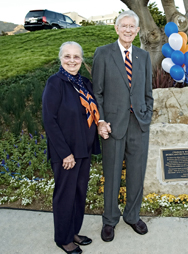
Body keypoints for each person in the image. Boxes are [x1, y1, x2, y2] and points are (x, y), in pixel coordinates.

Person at [92, 10, 153, 241]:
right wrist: (101, 120)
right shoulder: (103, 53)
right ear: (116, 29)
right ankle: (109, 220)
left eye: (132, 27)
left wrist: (146, 116)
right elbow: (97, 93)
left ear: (137, 31)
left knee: (137, 174)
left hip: (138, 125)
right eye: (124, 26)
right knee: (113, 174)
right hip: (113, 127)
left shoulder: (143, 56)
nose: (128, 30)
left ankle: (132, 215)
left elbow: (148, 93)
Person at [42, 41, 101, 254]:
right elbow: (49, 120)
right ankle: (63, 238)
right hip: (66, 152)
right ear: (61, 59)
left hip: (83, 149)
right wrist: (65, 152)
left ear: (81, 59)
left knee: (78, 193)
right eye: (67, 56)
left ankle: (74, 231)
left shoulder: (84, 82)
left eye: (76, 56)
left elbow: (94, 111)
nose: (72, 60)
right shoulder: (55, 83)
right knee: (65, 195)